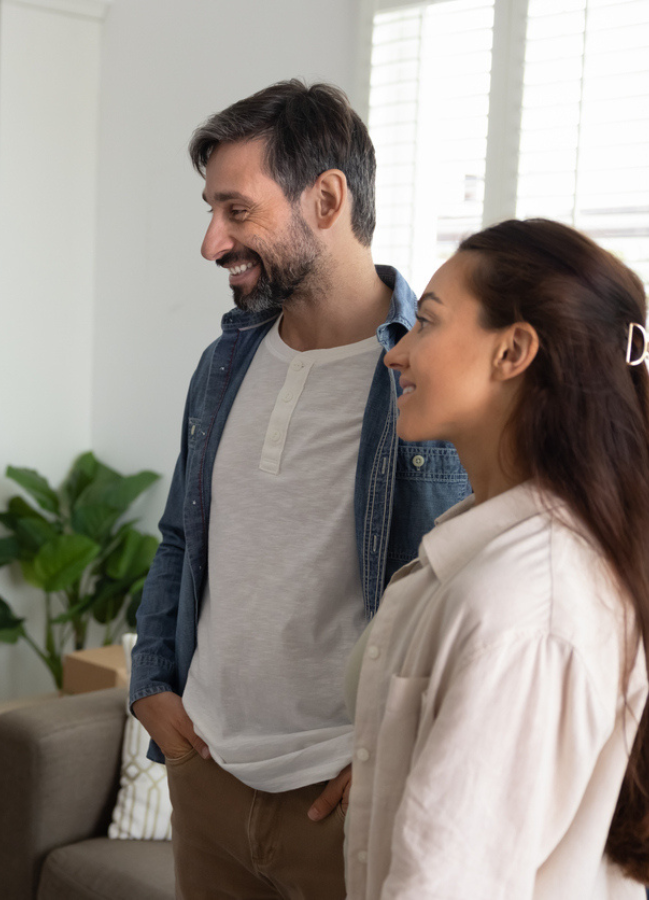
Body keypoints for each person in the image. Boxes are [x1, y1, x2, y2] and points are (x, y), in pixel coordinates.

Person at [128, 80, 470, 898]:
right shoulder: (224, 364)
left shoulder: (437, 380)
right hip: (206, 773)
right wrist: (152, 684)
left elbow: (468, 592)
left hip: (341, 799)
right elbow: (182, 535)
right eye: (212, 210)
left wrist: (403, 749)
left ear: (326, 198)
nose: (212, 242)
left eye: (237, 211)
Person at [345, 218, 649, 898]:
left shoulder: (521, 605)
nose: (397, 354)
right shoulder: (491, 552)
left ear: (513, 350)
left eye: (426, 323)